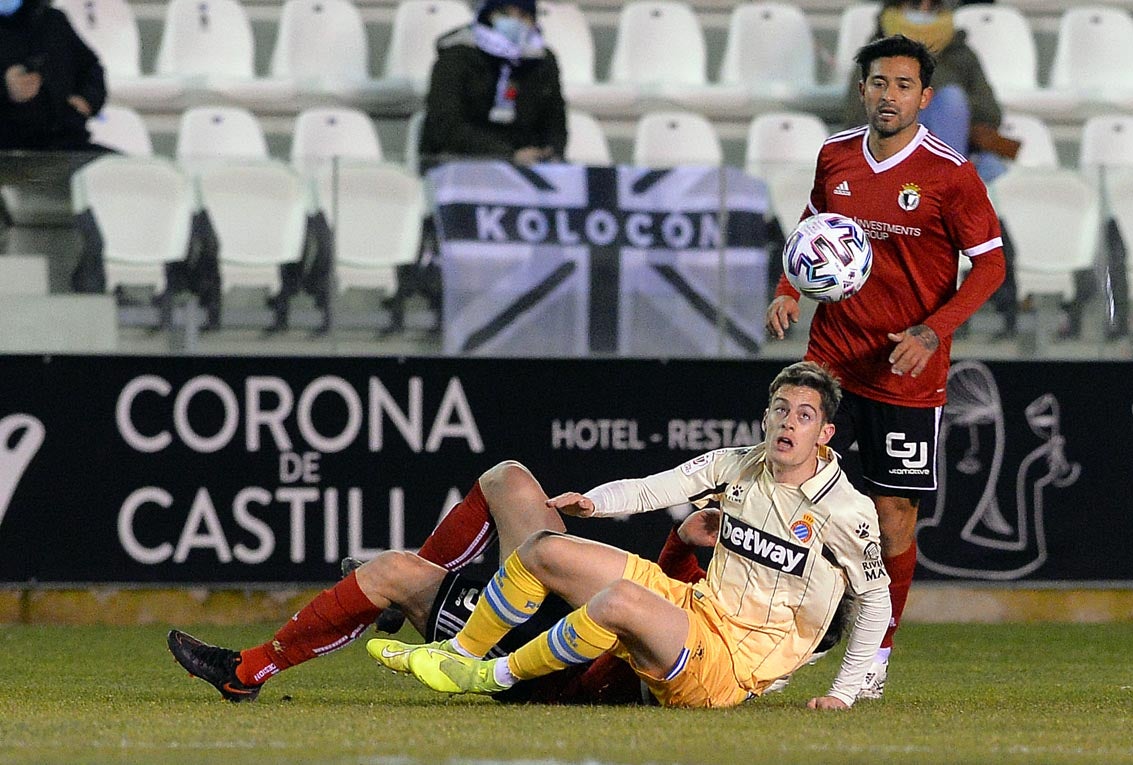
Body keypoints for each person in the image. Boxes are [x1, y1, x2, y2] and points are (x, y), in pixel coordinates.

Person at [371, 361, 890, 710]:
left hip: (730, 668)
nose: (788, 423)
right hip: (694, 609)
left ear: (823, 435)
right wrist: (594, 503)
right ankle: (459, 652)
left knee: (619, 599)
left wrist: (843, 694)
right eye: (781, 409)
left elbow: (877, 600)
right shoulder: (742, 464)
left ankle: (490, 676)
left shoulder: (846, 510)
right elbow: (654, 487)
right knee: (543, 550)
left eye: (804, 416)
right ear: (766, 416)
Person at [765, 35, 1005, 699]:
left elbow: (990, 264)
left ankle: (875, 652)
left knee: (893, 515)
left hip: (906, 370)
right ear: (863, 89)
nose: (888, 95)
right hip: (830, 359)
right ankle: (774, 634)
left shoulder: (949, 173)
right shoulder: (834, 155)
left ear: (923, 97)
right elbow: (816, 224)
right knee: (786, 494)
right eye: (878, 83)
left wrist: (932, 331)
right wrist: (790, 286)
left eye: (903, 85)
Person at [166, 460, 741, 705]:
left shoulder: (754, 624)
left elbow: (653, 634)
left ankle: (246, 672)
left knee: (390, 570)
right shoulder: (751, 537)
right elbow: (670, 596)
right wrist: (684, 540)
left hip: (559, 666)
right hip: (569, 608)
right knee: (510, 479)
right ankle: (417, 591)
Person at [843, 0, 1019, 335]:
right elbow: (854, 115)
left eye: (931, 4)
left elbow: (990, 114)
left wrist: (945, 105)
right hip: (892, 158)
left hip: (948, 159)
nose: (923, 10)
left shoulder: (960, 54)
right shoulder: (876, 59)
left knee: (952, 103)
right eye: (914, 4)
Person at [419, 0, 567, 172]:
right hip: (459, 166)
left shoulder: (542, 61)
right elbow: (446, 127)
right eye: (505, 14)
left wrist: (551, 152)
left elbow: (555, 122)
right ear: (488, 15)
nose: (515, 21)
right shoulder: (456, 57)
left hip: (527, 170)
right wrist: (508, 155)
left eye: (523, 16)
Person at [0, 0, 107, 152]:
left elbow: (90, 68)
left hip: (65, 143)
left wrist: (87, 100)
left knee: (125, 170)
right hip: (9, 149)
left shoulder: (52, 21)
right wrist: (6, 88)